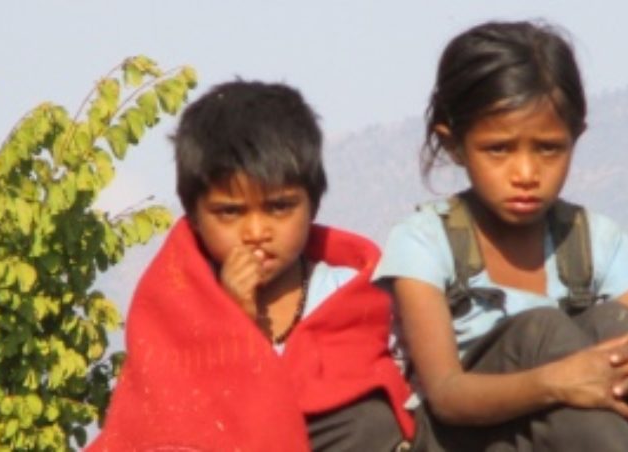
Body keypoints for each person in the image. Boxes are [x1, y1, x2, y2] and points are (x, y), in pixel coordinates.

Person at [374, 21, 628, 451]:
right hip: (466, 439)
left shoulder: (600, 243)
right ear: (454, 144)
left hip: (582, 435)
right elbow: (446, 395)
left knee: (617, 326)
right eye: (499, 149)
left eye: (548, 148)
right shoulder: (424, 242)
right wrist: (556, 382)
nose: (526, 174)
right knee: (541, 332)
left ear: (575, 138)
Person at [89, 80, 413, 451]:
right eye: (230, 213)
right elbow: (165, 417)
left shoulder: (350, 296)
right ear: (194, 217)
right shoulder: (176, 307)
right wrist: (230, 323)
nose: (256, 233)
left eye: (279, 207)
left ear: (312, 205)